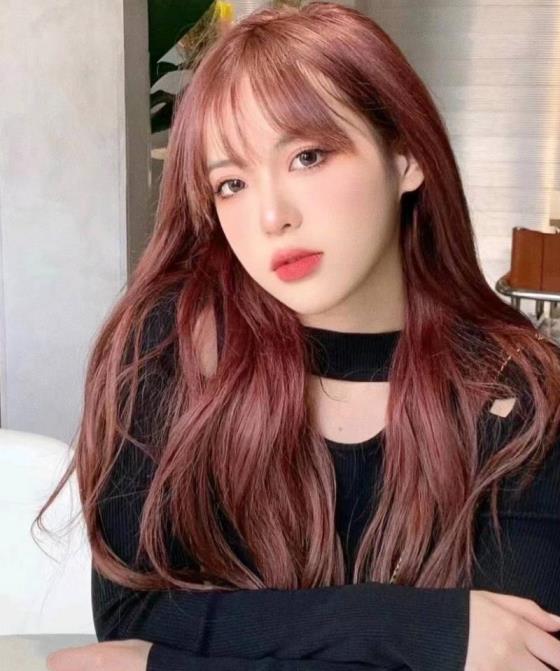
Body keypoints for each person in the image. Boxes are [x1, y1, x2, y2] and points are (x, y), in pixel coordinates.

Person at [39, 2, 560, 670]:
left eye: (308, 157)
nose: (271, 215)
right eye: (231, 182)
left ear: (405, 155)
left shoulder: (523, 394)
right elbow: (134, 614)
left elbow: (516, 655)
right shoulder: (166, 347)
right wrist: (414, 625)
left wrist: (163, 665)